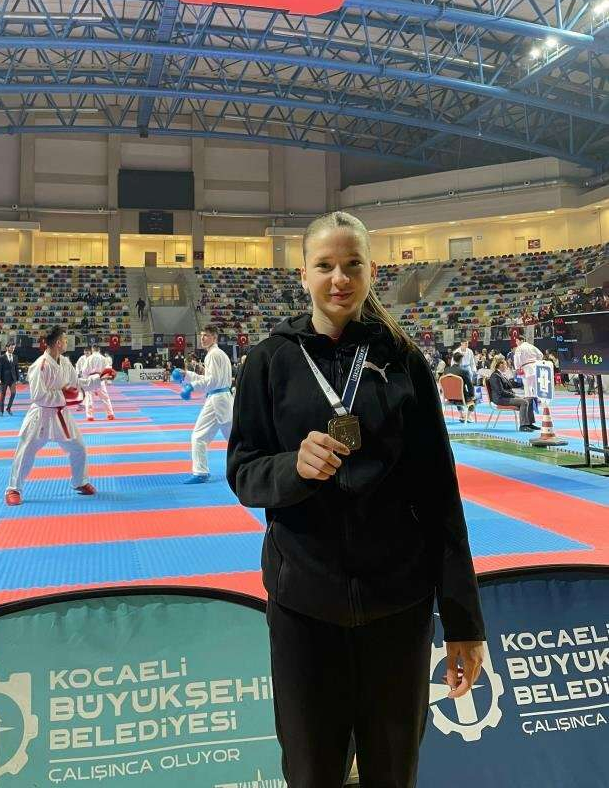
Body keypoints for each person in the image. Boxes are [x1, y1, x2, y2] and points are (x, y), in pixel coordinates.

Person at [227, 210, 485, 788]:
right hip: (304, 607)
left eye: (352, 265)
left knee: (393, 773)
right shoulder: (269, 361)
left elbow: (440, 496)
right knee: (312, 772)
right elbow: (243, 471)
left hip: (398, 607)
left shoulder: (404, 361)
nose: (339, 278)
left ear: (372, 271)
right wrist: (292, 467)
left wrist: (463, 621)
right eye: (325, 266)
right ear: (303, 274)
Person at [4, 325, 102, 506]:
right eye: (64, 339)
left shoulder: (64, 362)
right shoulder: (40, 365)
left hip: (61, 414)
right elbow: (38, 395)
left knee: (78, 447)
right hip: (41, 414)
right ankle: (13, 489)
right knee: (26, 450)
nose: (66, 342)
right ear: (58, 343)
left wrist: (99, 378)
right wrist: (64, 396)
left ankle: (79, 482)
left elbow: (76, 383)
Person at [172, 325, 233, 484]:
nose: (203, 338)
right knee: (234, 439)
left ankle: (201, 472)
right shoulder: (219, 354)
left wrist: (191, 387)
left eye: (206, 335)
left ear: (214, 337)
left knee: (199, 436)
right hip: (222, 398)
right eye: (201, 335)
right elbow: (210, 379)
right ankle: (250, 465)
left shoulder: (213, 355)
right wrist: (187, 375)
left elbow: (212, 381)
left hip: (217, 398)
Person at [488, 358, 537, 431]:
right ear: (501, 365)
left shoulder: (501, 375)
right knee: (524, 402)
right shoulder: (495, 376)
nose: (507, 366)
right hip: (500, 399)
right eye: (505, 364)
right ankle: (523, 426)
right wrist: (514, 395)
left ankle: (529, 424)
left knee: (528, 400)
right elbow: (500, 391)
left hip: (505, 397)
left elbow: (509, 387)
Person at [83, 345, 115, 421]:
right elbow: (108, 370)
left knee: (89, 398)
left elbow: (84, 370)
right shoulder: (103, 358)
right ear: (99, 350)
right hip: (100, 377)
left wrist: (86, 379)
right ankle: (110, 414)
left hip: (90, 378)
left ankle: (90, 416)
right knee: (105, 398)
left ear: (92, 350)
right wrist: (106, 379)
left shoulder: (89, 358)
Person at [443, 351, 476, 422]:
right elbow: (470, 385)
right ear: (461, 360)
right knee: (476, 398)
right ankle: (468, 417)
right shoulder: (464, 371)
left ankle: (461, 415)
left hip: (449, 397)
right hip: (461, 397)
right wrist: (472, 395)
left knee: (457, 391)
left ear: (453, 359)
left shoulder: (446, 370)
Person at [513, 335, 543, 400]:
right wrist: (537, 362)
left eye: (517, 341)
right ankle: (538, 399)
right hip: (535, 367)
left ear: (521, 340)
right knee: (535, 384)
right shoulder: (532, 346)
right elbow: (541, 355)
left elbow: (517, 358)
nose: (516, 342)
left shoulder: (519, 348)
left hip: (526, 368)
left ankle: (529, 399)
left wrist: (517, 368)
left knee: (527, 385)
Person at [0, 343, 19, 416]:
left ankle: (8, 408)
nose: (12, 349)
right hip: (3, 379)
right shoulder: (2, 357)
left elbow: (16, 368)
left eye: (13, 348)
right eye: (11, 348)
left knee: (13, 393)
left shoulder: (15, 357)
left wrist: (17, 379)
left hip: (12, 378)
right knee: (3, 395)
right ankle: (1, 411)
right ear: (7, 348)